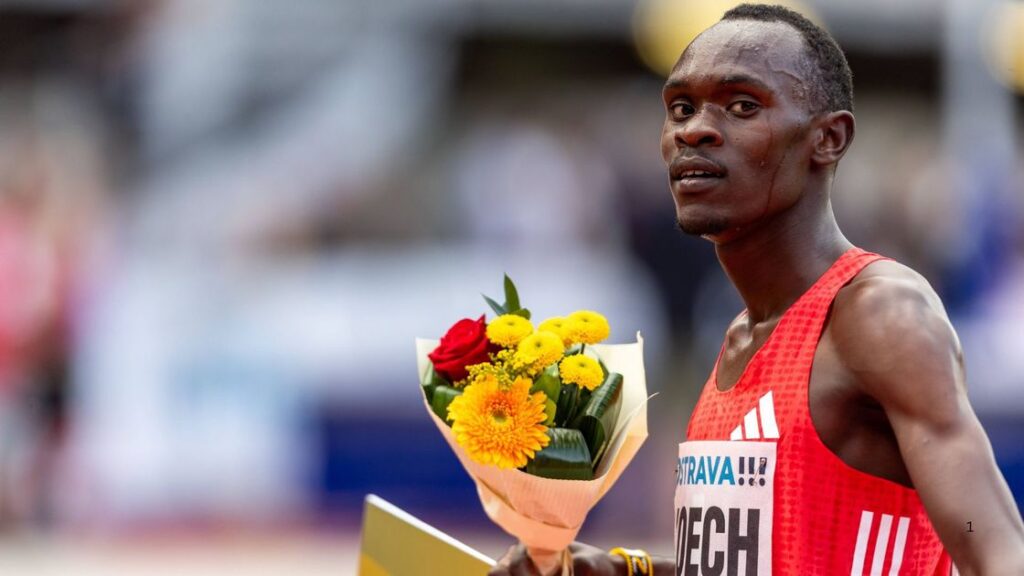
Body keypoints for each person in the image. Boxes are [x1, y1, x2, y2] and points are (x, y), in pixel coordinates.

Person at [490, 4, 1024, 575]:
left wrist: (975, 535)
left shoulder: (877, 312)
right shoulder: (740, 337)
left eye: (742, 105)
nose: (694, 129)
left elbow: (993, 543)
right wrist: (621, 569)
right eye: (680, 108)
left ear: (829, 138)